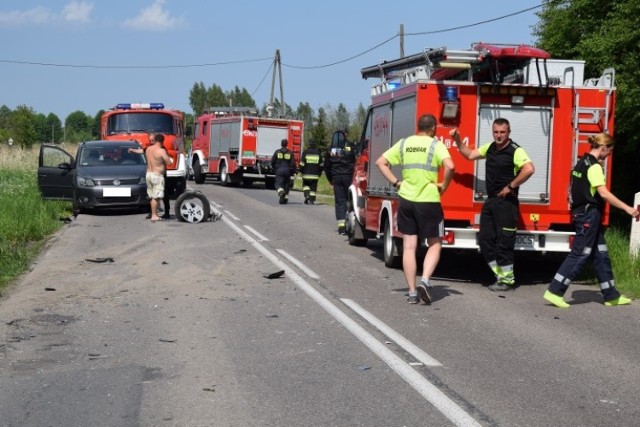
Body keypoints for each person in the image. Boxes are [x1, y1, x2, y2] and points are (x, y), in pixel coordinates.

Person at [544, 133, 639, 308]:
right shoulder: (594, 167)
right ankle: (555, 291)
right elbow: (603, 193)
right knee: (580, 253)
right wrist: (628, 208)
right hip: (589, 215)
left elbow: (570, 190)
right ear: (603, 148)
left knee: (600, 254)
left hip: (582, 214)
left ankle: (611, 295)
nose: (609, 155)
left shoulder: (580, 163)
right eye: (609, 151)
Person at [375, 114, 455, 304]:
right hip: (429, 201)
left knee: (409, 247)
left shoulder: (404, 144)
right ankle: (425, 281)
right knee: (435, 243)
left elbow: (380, 162)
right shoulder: (436, 145)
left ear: (418, 127)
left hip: (407, 200)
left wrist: (396, 182)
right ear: (433, 128)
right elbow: (450, 166)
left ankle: (412, 292)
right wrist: (444, 185)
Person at [451, 118, 535, 292]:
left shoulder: (515, 151)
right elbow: (469, 154)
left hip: (507, 203)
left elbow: (529, 169)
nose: (499, 135)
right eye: (496, 132)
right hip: (491, 201)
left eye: (502, 132)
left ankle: (506, 280)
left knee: (504, 242)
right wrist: (457, 140)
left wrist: (511, 186)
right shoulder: (490, 148)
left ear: (509, 132)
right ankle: (500, 275)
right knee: (485, 240)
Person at [129, 133, 173, 221]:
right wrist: (170, 159)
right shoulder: (161, 150)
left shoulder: (148, 149)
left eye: (152, 140)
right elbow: (169, 162)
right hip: (157, 175)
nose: (151, 142)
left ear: (155, 140)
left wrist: (132, 150)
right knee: (156, 197)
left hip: (149, 174)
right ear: (162, 141)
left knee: (152, 195)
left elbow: (142, 151)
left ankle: (154, 213)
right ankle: (154, 215)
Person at [324, 129, 356, 234]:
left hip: (336, 177)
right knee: (351, 200)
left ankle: (342, 226)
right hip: (349, 177)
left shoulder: (332, 149)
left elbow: (327, 166)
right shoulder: (351, 146)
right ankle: (351, 224)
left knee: (339, 201)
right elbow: (356, 160)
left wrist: (330, 179)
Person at [271, 139, 296, 204]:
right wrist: (294, 172)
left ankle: (281, 192)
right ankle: (284, 199)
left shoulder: (277, 152)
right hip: (287, 170)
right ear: (287, 144)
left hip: (279, 170)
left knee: (278, 184)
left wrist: (274, 168)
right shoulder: (290, 153)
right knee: (286, 185)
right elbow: (293, 163)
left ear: (281, 144)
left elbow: (272, 161)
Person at [298, 139, 323, 204]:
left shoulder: (305, 152)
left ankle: (307, 195)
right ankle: (312, 200)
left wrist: (300, 170)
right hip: (315, 175)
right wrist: (320, 173)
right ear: (315, 145)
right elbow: (321, 165)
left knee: (305, 185)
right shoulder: (318, 153)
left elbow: (302, 163)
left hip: (306, 174)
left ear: (309, 144)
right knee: (313, 188)